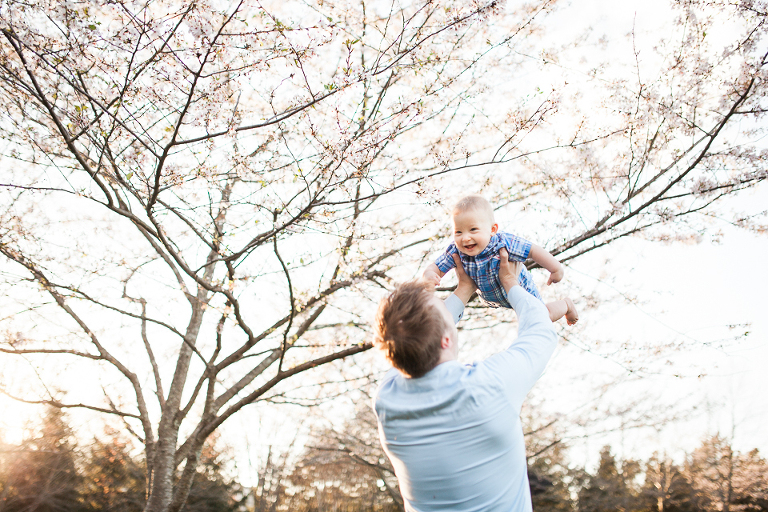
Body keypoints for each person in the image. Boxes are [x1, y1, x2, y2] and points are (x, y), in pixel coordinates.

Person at [373, 251, 558, 511]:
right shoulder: (488, 385)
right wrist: (510, 283)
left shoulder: (387, 398)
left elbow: (408, 334)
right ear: (446, 340)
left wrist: (464, 290)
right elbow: (540, 330)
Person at [422, 194, 578, 325]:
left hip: (521, 290)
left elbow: (532, 250)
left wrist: (555, 268)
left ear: (492, 230)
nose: (465, 237)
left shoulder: (503, 243)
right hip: (493, 299)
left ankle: (566, 305)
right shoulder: (456, 250)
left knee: (542, 317)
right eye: (458, 232)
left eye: (473, 229)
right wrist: (429, 274)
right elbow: (436, 266)